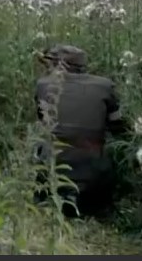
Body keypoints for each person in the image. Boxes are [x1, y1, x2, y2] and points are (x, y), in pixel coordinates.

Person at [33, 44, 128, 218]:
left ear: (59, 65)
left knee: (41, 140)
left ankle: (57, 196)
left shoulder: (44, 85)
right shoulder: (105, 86)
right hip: (93, 170)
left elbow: (43, 122)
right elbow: (120, 129)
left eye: (48, 64)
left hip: (53, 166)